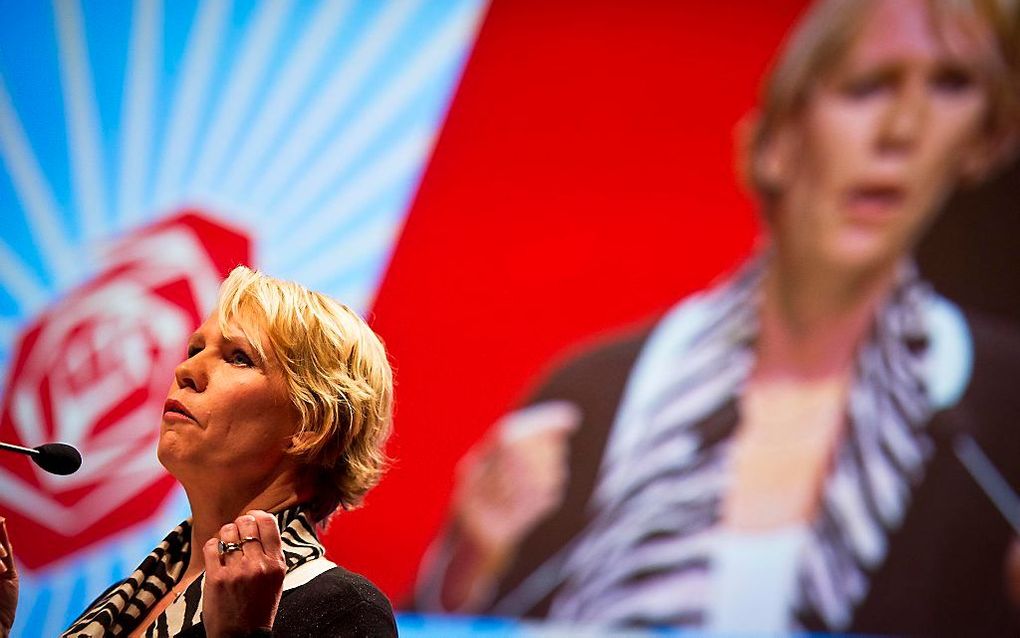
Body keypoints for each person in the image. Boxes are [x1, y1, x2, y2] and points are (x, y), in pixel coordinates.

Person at [417, 0, 1020, 633]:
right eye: (867, 87)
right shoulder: (596, 398)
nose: (903, 129)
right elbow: (448, 623)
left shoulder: (1000, 416)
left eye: (952, 85)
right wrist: (470, 568)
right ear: (776, 144)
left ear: (982, 142)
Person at [0, 266, 398, 637]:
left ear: (311, 425)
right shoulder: (122, 603)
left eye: (238, 358)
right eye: (194, 350)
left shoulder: (343, 609)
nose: (185, 371)